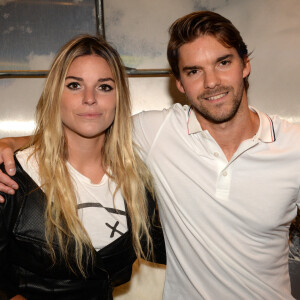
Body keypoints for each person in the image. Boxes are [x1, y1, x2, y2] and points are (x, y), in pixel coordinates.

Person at [0, 10, 299, 300]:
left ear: (245, 65)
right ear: (179, 83)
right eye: (194, 70)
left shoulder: (294, 145)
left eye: (223, 62)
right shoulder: (158, 131)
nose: (211, 82)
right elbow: (86, 124)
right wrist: (12, 143)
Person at [0, 34, 165, 300]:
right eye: (75, 85)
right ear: (56, 94)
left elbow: (176, 247)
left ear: (118, 98)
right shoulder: (12, 175)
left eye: (104, 87)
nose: (90, 98)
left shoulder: (138, 181)